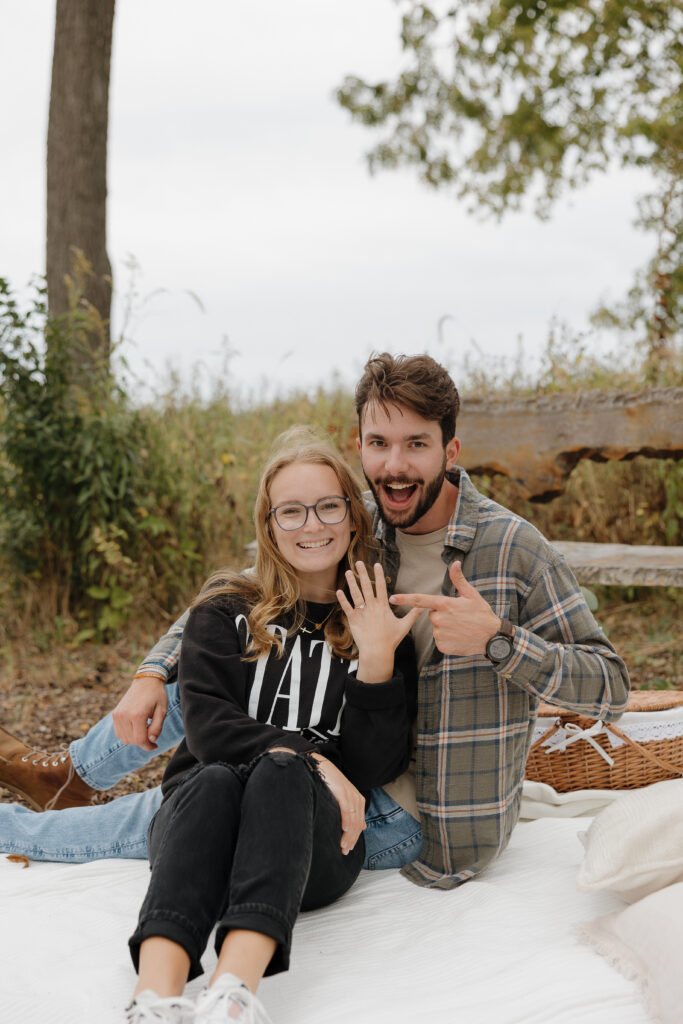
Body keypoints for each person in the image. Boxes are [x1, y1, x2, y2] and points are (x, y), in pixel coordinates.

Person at [0, 352, 630, 889]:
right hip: (326, 738)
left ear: (451, 449)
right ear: (360, 446)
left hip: (410, 807)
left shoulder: (514, 550)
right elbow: (248, 589)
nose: (395, 466)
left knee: (187, 811)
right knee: (218, 671)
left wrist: (499, 642)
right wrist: (150, 669)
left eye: (417, 444)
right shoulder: (351, 516)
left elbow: (611, 687)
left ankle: (31, 825)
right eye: (379, 445)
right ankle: (73, 773)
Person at [125, 430, 418, 1023]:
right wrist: (316, 756)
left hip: (312, 849)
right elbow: (208, 731)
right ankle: (151, 1000)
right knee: (212, 781)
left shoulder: (376, 622)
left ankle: (233, 992)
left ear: (353, 518)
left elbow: (372, 766)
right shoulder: (223, 609)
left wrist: (378, 661)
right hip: (202, 830)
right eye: (291, 510)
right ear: (269, 523)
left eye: (329, 505)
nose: (312, 524)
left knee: (281, 770)